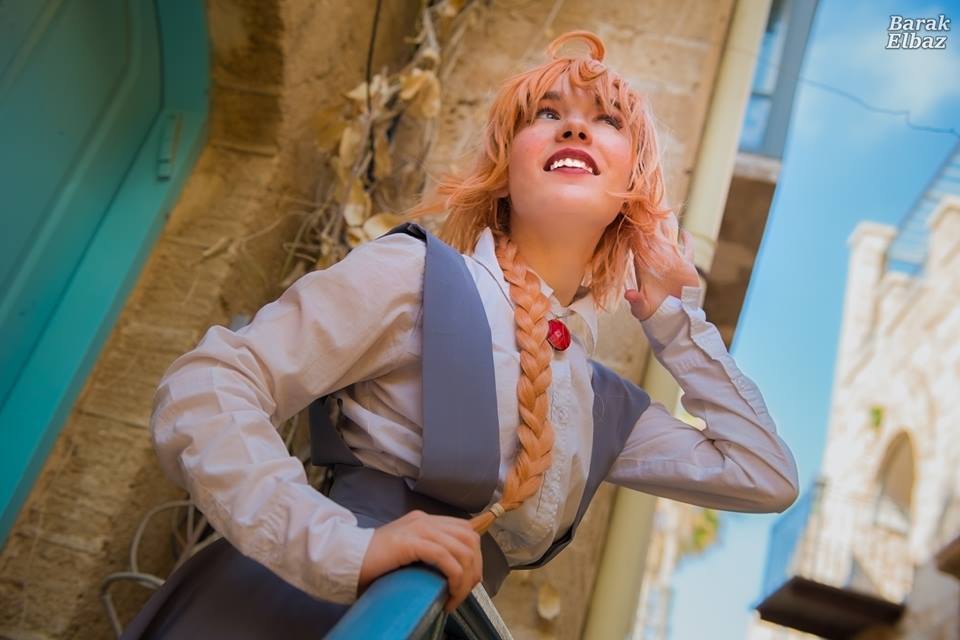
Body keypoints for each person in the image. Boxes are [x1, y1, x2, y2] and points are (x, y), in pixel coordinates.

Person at [125, 29, 799, 638]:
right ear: (505, 169)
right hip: (287, 618)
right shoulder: (415, 274)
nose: (575, 126)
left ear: (634, 190)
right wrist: (343, 547)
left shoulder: (605, 408)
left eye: (608, 120)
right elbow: (203, 387)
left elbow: (764, 476)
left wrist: (674, 318)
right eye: (547, 113)